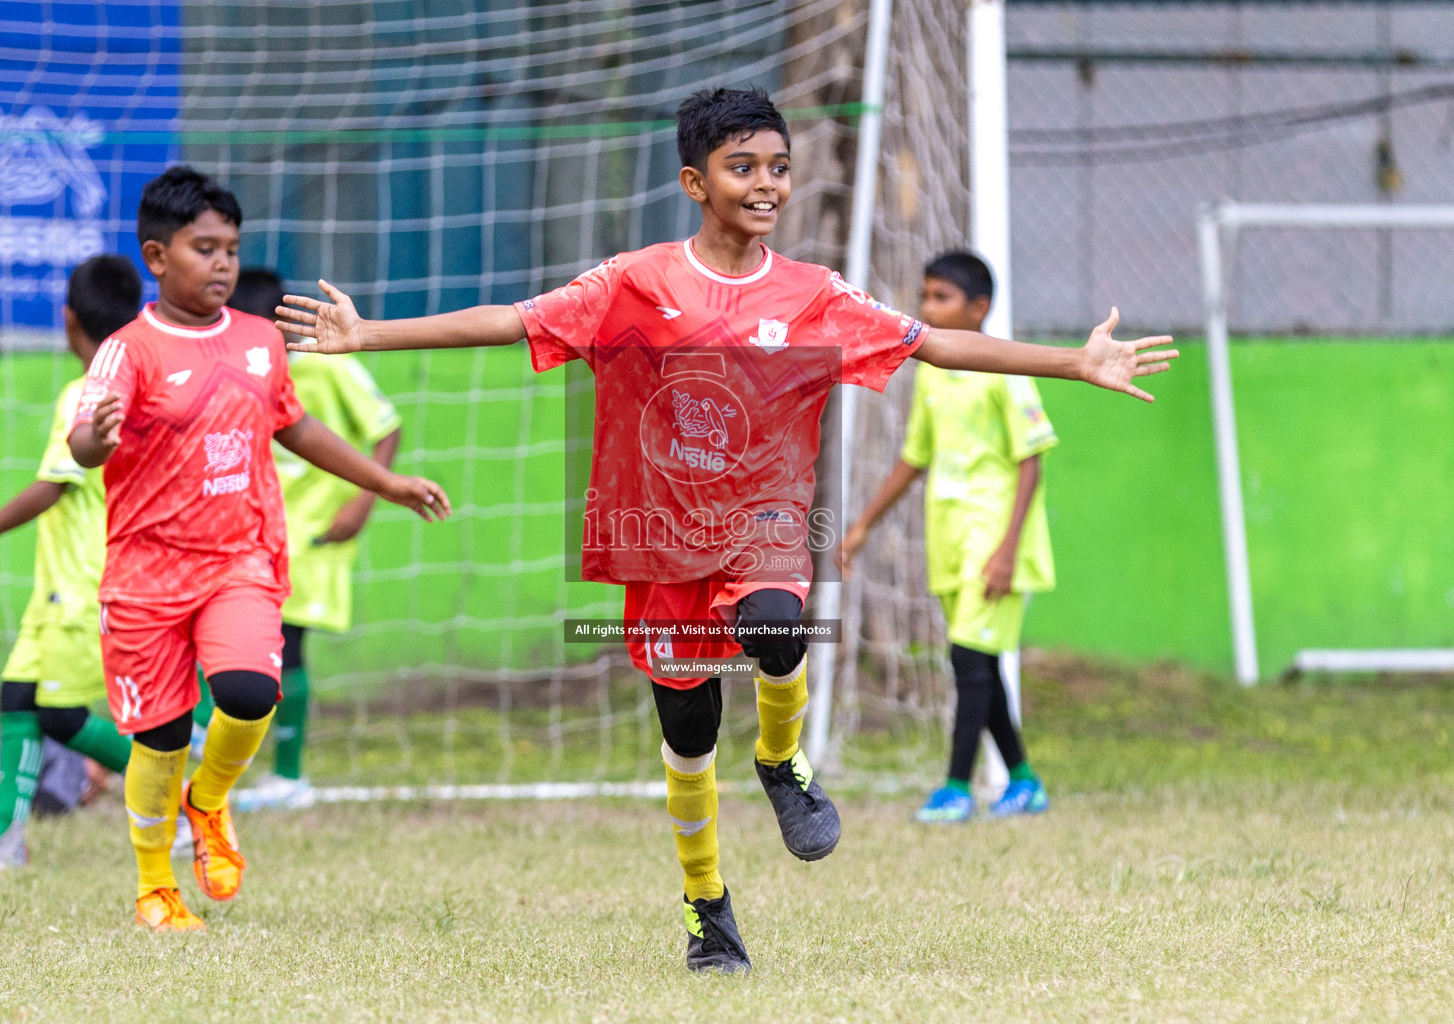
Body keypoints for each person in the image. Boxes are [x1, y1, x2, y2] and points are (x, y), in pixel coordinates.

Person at [277, 87, 1176, 973]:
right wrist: (372, 335)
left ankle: (783, 762)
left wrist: (1074, 361)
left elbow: (935, 345)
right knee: (688, 732)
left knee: (778, 626)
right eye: (742, 166)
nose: (766, 183)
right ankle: (709, 908)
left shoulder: (815, 294)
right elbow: (513, 321)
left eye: (779, 167)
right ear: (694, 182)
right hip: (659, 537)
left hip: (766, 523)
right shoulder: (636, 281)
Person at [66, 166, 449, 932]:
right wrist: (91, 440)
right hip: (146, 573)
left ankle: (208, 801)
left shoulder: (261, 341)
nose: (222, 264)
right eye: (204, 248)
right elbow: (84, 438)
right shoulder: (127, 351)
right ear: (157, 256)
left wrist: (384, 482)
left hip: (241, 557)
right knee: (163, 735)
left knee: (248, 693)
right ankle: (156, 889)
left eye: (231, 249)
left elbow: (295, 426)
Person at [0, 254, 142, 868]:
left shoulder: (86, 393)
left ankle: (182, 797)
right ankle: (4, 842)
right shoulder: (132, 385)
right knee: (18, 698)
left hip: (81, 585)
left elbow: (53, 485)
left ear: (68, 319)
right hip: (60, 585)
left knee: (58, 711)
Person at [842, 250, 1055, 824]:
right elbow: (915, 458)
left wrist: (1008, 552)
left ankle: (957, 789)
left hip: (995, 544)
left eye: (943, 298)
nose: (928, 307)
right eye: (926, 296)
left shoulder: (1005, 370)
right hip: (950, 540)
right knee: (976, 664)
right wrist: (861, 526)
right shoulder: (933, 371)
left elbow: (1032, 461)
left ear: (979, 308)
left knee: (968, 659)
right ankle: (1026, 782)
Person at [222, 268, 404, 810]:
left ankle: (288, 776)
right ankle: (245, 769)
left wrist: (362, 502)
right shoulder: (239, 369)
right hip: (257, 531)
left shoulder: (327, 368)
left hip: (315, 534)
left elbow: (387, 426)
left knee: (288, 645)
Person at [0, 711, 110, 824]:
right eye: (104, 770)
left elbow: (45, 805)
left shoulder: (58, 749)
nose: (103, 784)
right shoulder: (74, 763)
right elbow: (47, 806)